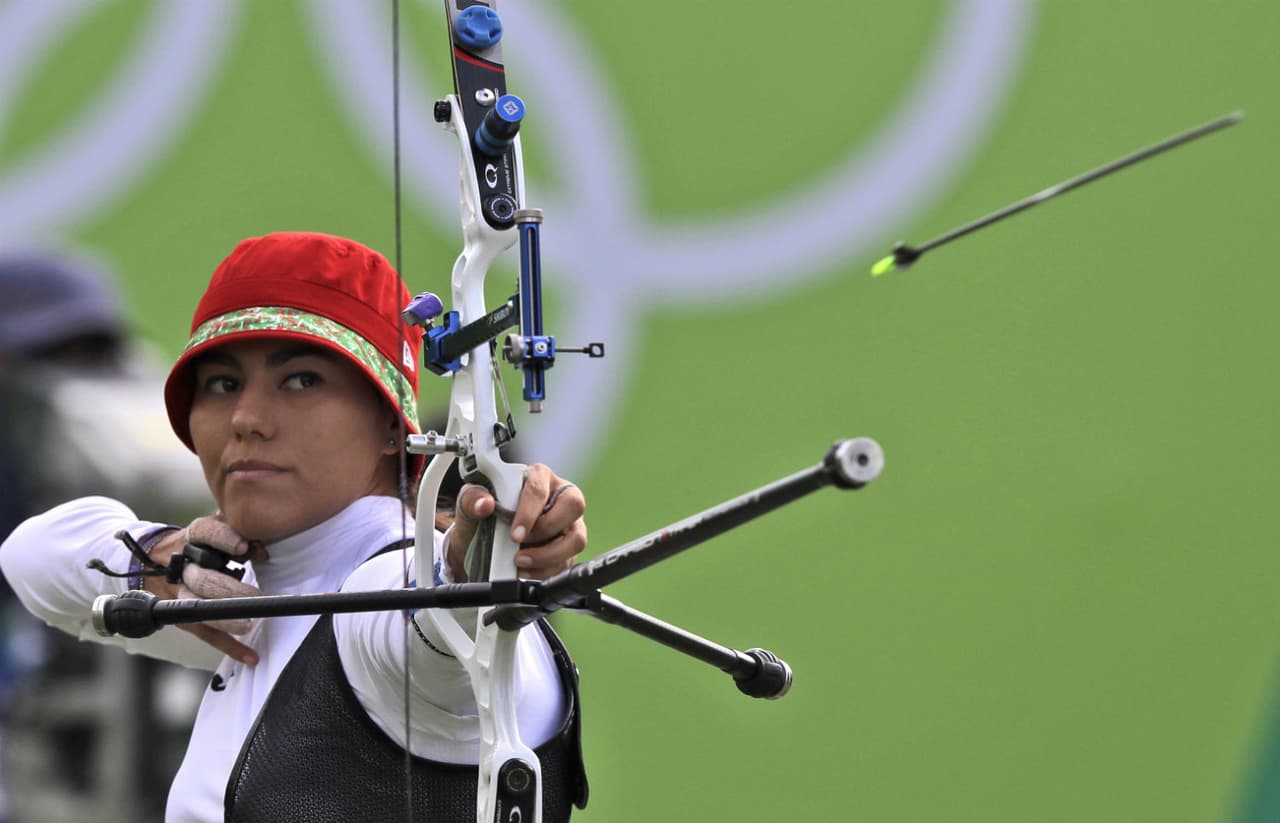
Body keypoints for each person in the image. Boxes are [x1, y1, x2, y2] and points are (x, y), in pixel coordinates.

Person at [0, 232, 589, 822]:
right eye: (223, 384)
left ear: (392, 425)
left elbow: (428, 634)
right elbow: (30, 556)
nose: (246, 419)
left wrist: (470, 570)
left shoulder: (383, 588)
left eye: (302, 380)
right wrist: (162, 560)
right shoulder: (251, 593)